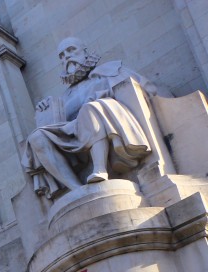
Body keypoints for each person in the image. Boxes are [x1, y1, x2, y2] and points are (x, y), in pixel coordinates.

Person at [23, 37, 156, 197]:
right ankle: (77, 190)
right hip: (76, 135)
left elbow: (147, 90)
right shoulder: (65, 96)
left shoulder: (110, 70)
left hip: (105, 120)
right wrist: (46, 111)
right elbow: (60, 126)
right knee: (36, 137)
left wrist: (103, 96)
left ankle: (100, 169)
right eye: (62, 55)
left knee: (89, 108)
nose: (67, 57)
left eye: (71, 50)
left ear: (85, 52)